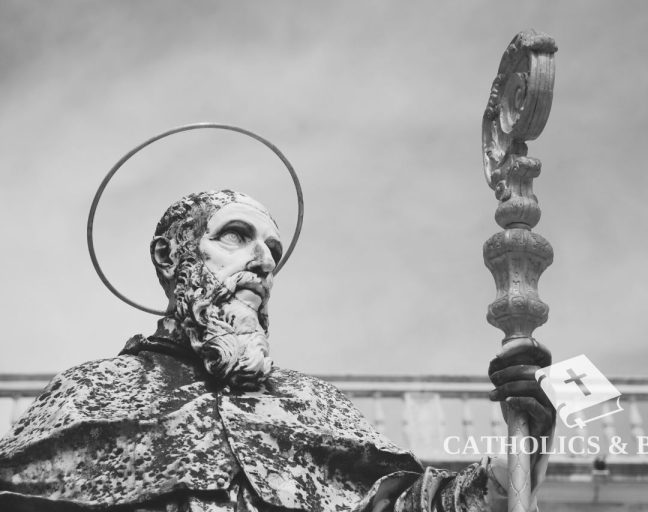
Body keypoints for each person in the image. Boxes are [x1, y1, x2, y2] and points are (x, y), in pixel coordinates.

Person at [0, 190, 554, 511]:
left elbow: (414, 507)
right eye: (236, 236)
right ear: (173, 258)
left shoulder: (315, 404)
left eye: (273, 249)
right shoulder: (92, 391)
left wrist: (523, 444)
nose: (264, 262)